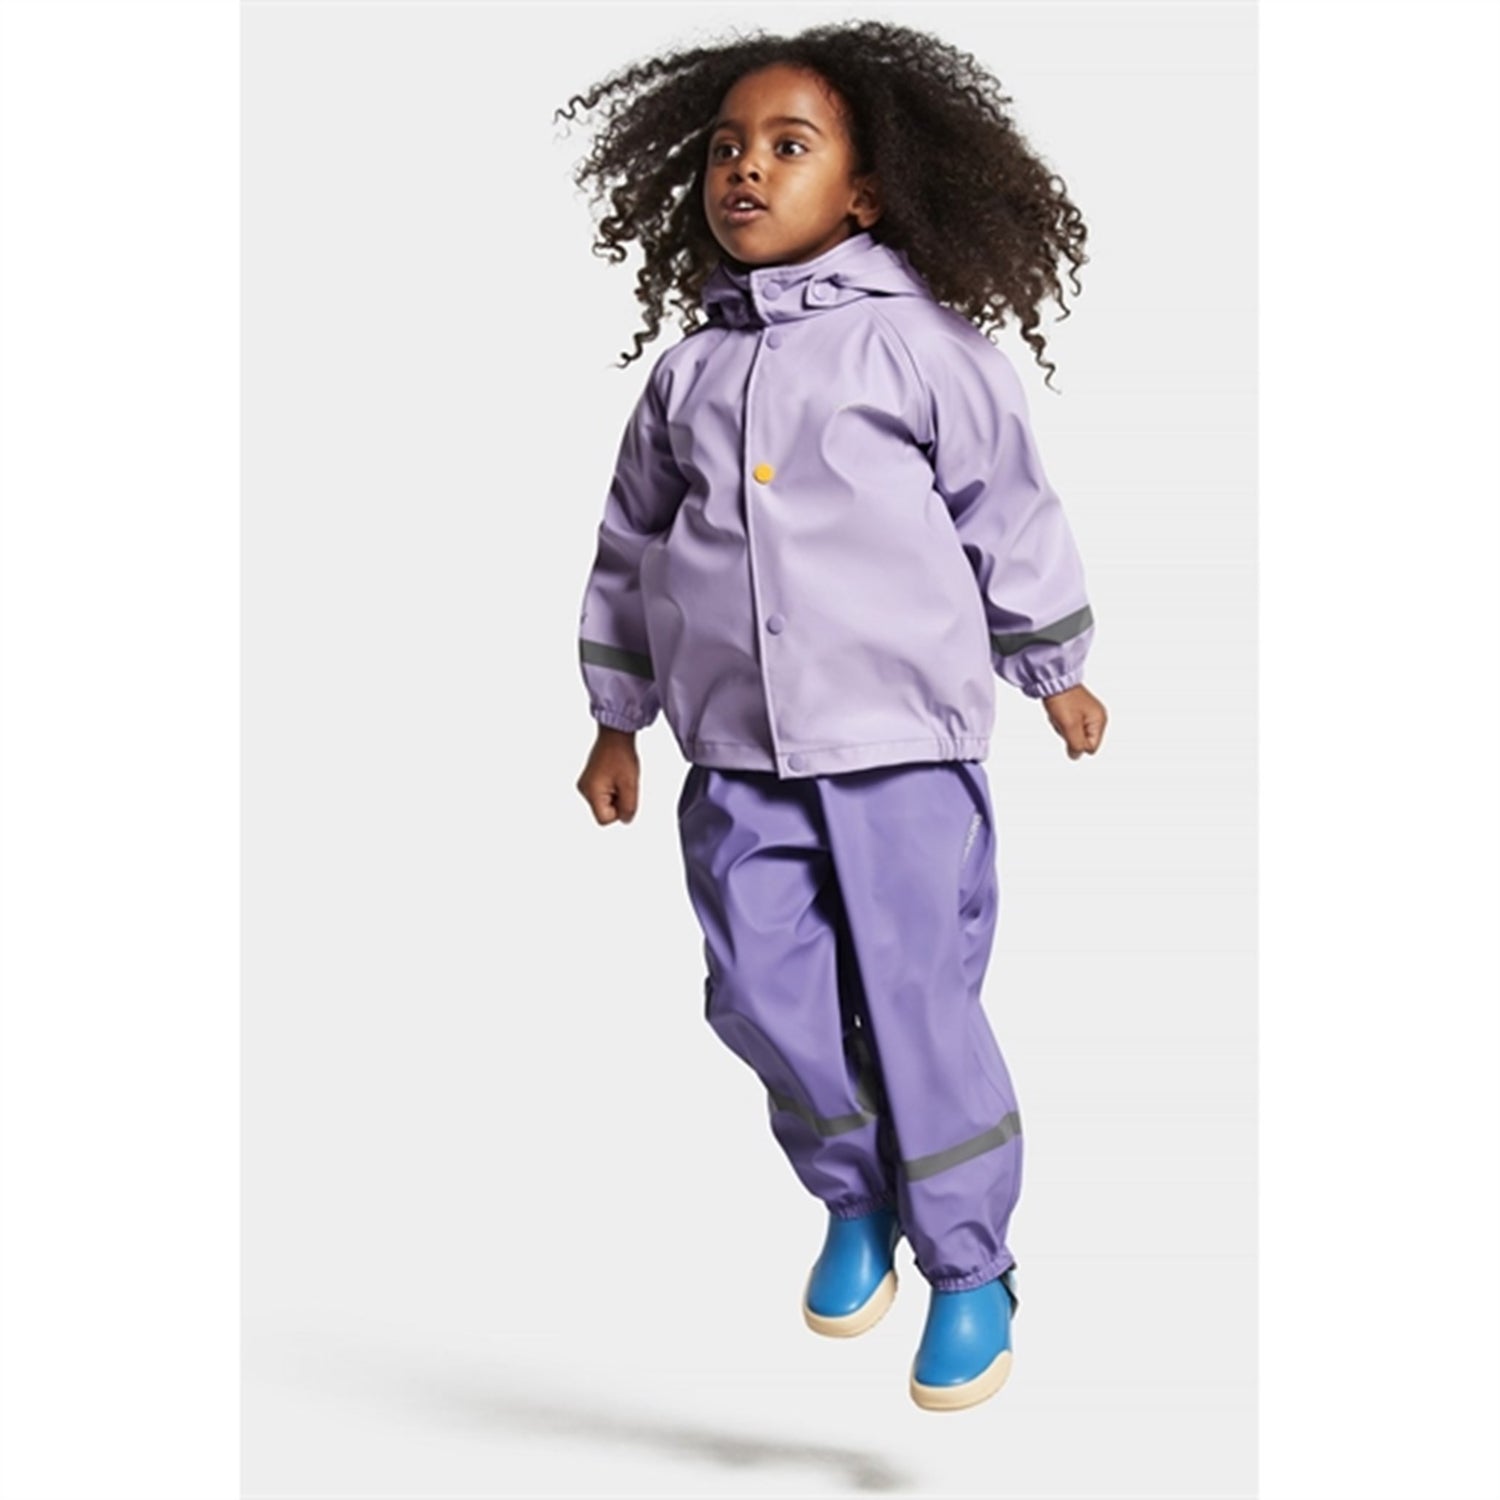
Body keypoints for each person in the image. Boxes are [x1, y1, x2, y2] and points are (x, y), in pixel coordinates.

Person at [559, 18, 1108, 1413]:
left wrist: (1054, 666)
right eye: (727, 149)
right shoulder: (687, 374)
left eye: (788, 147)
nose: (746, 169)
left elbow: (1007, 508)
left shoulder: (923, 349)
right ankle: (856, 1193)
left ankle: (971, 1266)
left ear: (864, 192)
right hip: (734, 755)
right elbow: (630, 546)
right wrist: (618, 717)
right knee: (759, 991)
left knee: (917, 1001)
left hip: (900, 749)